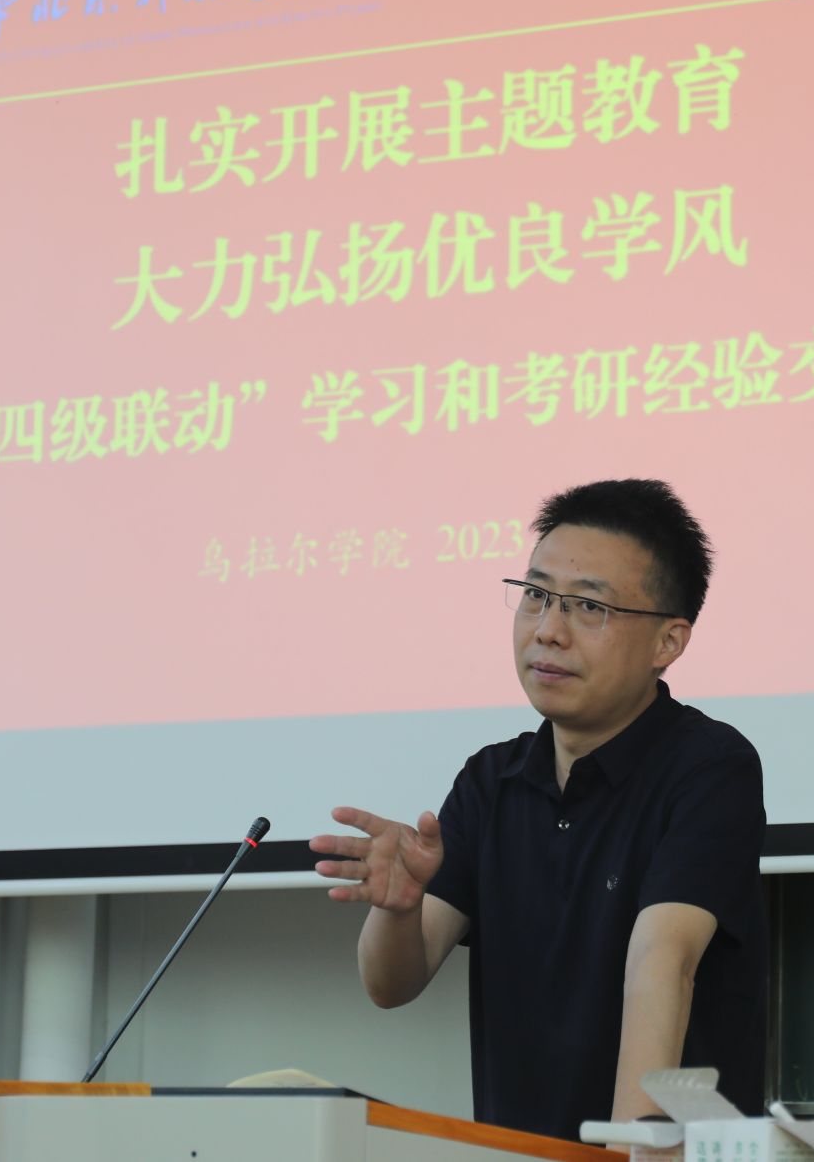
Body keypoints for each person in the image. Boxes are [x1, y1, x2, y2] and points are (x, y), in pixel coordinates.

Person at [310, 478, 766, 1141]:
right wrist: (398, 909)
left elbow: (664, 962)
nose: (548, 631)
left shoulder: (708, 768)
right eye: (536, 595)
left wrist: (625, 1150)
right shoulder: (491, 780)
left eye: (588, 607)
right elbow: (391, 984)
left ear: (667, 642)